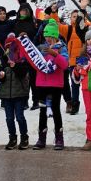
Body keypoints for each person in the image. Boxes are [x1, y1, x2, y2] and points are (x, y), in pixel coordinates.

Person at [33, 20, 69, 150]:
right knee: (43, 111)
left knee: (55, 110)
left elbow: (65, 65)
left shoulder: (61, 47)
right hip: (41, 83)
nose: (47, 39)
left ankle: (59, 138)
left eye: (50, 36)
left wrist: (54, 53)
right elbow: (33, 63)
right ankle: (41, 138)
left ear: (55, 36)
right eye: (46, 36)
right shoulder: (41, 47)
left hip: (55, 84)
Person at [0, 34, 30, 150]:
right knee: (9, 118)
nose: (9, 49)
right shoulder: (2, 59)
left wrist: (15, 66)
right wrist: (0, 75)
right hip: (6, 94)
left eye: (12, 46)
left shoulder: (22, 57)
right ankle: (12, 138)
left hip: (19, 93)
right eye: (7, 46)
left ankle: (24, 137)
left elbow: (23, 73)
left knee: (20, 117)